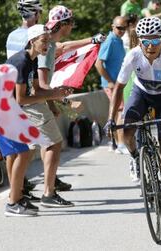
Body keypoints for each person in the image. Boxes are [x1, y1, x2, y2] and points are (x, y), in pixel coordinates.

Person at [104, 17, 161, 219]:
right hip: (140, 94)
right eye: (146, 41)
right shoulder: (133, 56)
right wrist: (110, 118)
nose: (150, 46)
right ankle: (134, 158)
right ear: (139, 41)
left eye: (155, 41)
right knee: (126, 132)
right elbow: (119, 88)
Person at [35, 5, 105, 207]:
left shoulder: (45, 37)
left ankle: (47, 182)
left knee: (45, 143)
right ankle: (47, 193)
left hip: (32, 98)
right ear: (63, 24)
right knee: (53, 143)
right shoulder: (47, 44)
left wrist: (52, 104)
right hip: (30, 100)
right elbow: (43, 83)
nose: (73, 26)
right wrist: (65, 102)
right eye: (71, 23)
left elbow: (64, 47)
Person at [3, 24, 69, 216]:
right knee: (23, 153)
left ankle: (17, 198)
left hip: (11, 110)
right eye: (44, 40)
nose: (47, 44)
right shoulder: (22, 61)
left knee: (22, 154)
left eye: (48, 40)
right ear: (32, 41)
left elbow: (34, 91)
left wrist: (56, 94)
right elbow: (22, 98)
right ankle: (14, 201)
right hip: (3, 110)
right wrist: (52, 96)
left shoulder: (31, 59)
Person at [95, 16, 128, 154]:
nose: (121, 31)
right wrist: (109, 81)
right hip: (113, 84)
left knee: (115, 113)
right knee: (121, 111)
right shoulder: (110, 41)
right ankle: (120, 144)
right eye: (119, 28)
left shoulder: (118, 40)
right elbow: (98, 63)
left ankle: (113, 143)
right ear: (112, 26)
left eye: (124, 28)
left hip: (118, 83)